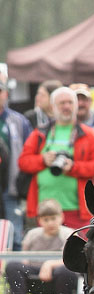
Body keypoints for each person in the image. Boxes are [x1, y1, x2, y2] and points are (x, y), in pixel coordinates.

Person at [18, 86, 94, 229]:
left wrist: (74, 167)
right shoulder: (40, 133)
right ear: (53, 107)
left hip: (77, 210)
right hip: (43, 212)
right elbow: (23, 162)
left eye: (70, 102)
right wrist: (42, 160)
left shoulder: (89, 134)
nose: (66, 107)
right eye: (62, 103)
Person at [5, 198, 79, 294]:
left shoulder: (69, 234)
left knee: (66, 271)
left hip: (59, 274)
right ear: (40, 220)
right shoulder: (32, 235)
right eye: (46, 220)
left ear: (61, 217)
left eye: (53, 218)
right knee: (13, 266)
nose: (50, 223)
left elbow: (73, 260)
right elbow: (24, 258)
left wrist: (50, 264)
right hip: (33, 272)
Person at [0, 73, 32, 249]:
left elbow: (28, 155)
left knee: (15, 237)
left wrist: (23, 188)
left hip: (11, 189)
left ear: (6, 93)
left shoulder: (19, 121)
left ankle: (14, 275)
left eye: (0, 91)